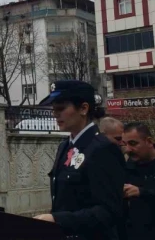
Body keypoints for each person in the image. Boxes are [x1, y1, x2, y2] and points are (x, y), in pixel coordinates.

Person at [33, 80, 125, 240]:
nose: (55, 114)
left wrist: (58, 220)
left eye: (61, 108)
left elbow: (109, 211)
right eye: (54, 109)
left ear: (83, 108)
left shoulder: (103, 149)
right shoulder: (64, 147)